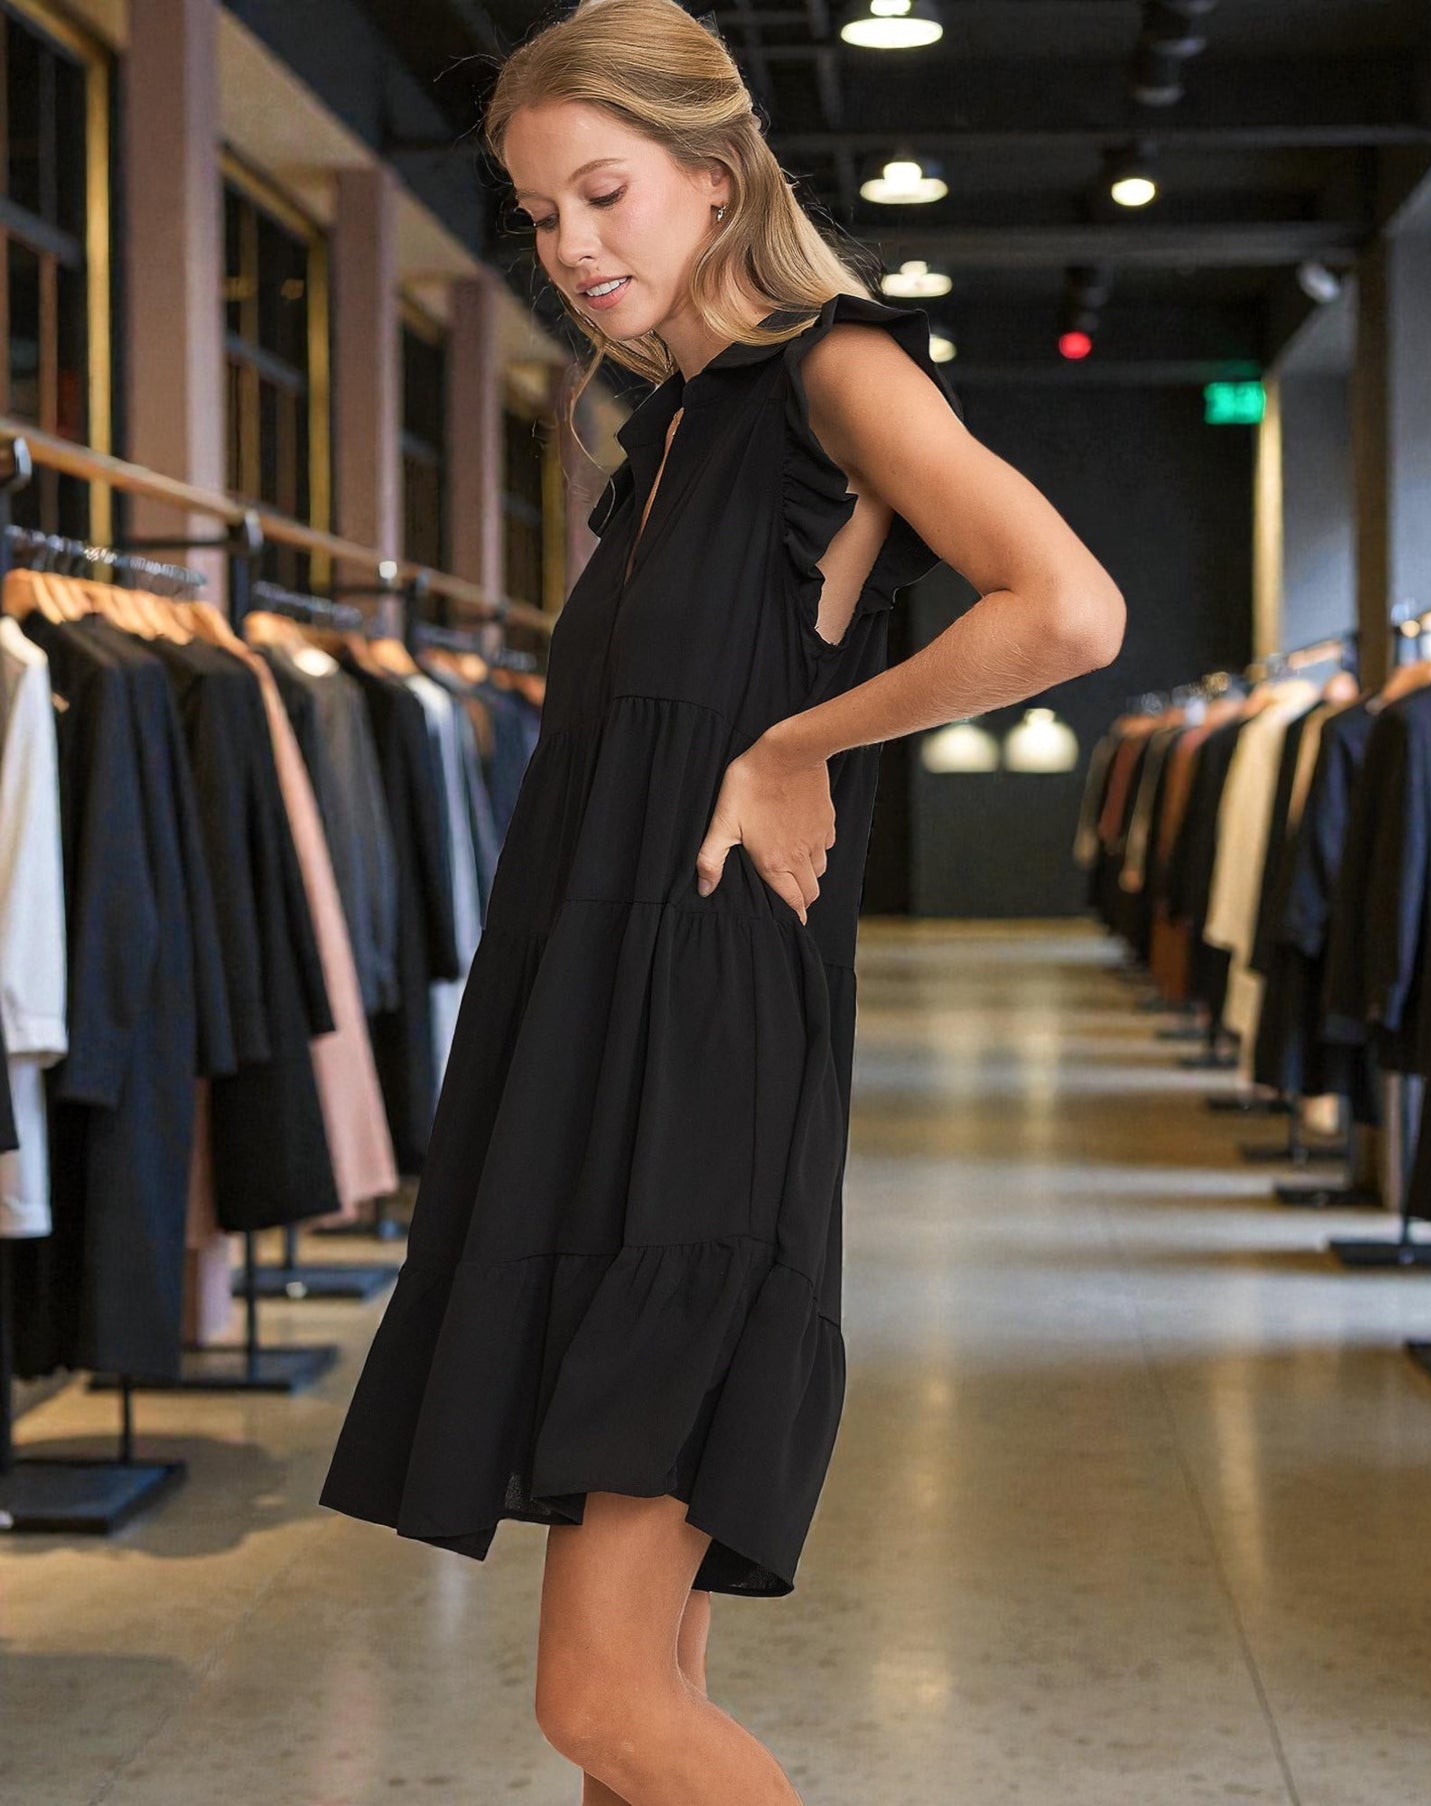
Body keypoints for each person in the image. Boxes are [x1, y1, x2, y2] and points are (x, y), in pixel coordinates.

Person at [318, 2, 1126, 1801]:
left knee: (600, 1701)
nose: (572, 247)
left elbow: (1065, 608)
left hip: (702, 1078)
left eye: (602, 193)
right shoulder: (665, 439)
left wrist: (797, 747)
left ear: (713, 176)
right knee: (639, 1694)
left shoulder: (827, 374)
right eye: (538, 214)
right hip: (598, 1061)